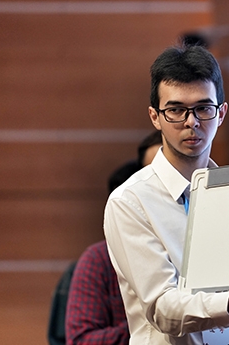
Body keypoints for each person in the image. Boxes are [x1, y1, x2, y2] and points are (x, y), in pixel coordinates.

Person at [103, 44, 229, 344]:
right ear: (155, 117)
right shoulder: (130, 202)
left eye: (203, 108)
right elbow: (163, 309)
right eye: (175, 110)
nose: (191, 122)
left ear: (221, 113)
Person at [64, 131, 162, 345]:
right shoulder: (99, 259)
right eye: (155, 174)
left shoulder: (199, 246)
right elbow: (81, 340)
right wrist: (149, 325)